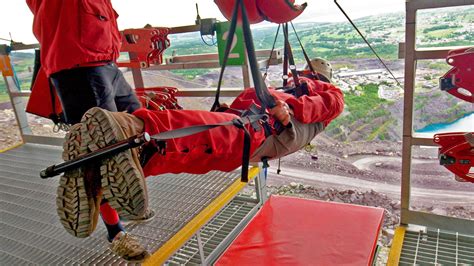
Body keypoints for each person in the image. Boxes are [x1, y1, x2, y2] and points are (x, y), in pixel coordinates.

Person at [61, 58, 344, 261]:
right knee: (200, 152)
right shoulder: (296, 92)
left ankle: (135, 132)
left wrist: (286, 102)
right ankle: (113, 171)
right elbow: (256, 96)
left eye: (305, 74)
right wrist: (266, 100)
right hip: (258, 129)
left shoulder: (321, 92)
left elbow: (332, 102)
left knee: (210, 137)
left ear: (313, 74)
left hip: (262, 130)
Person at [26, 0, 150, 261]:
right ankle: (116, 232)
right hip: (78, 65)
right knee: (102, 151)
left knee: (138, 129)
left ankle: (126, 198)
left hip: (105, 62)